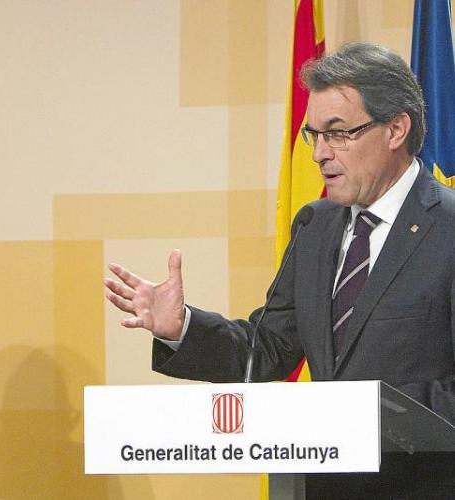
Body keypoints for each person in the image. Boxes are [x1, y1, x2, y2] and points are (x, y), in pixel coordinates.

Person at [105, 42, 455, 499]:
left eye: (337, 133)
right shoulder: (315, 226)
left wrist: (365, 414)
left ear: (395, 129)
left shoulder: (448, 229)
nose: (319, 154)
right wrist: (182, 328)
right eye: (315, 135)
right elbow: (269, 349)